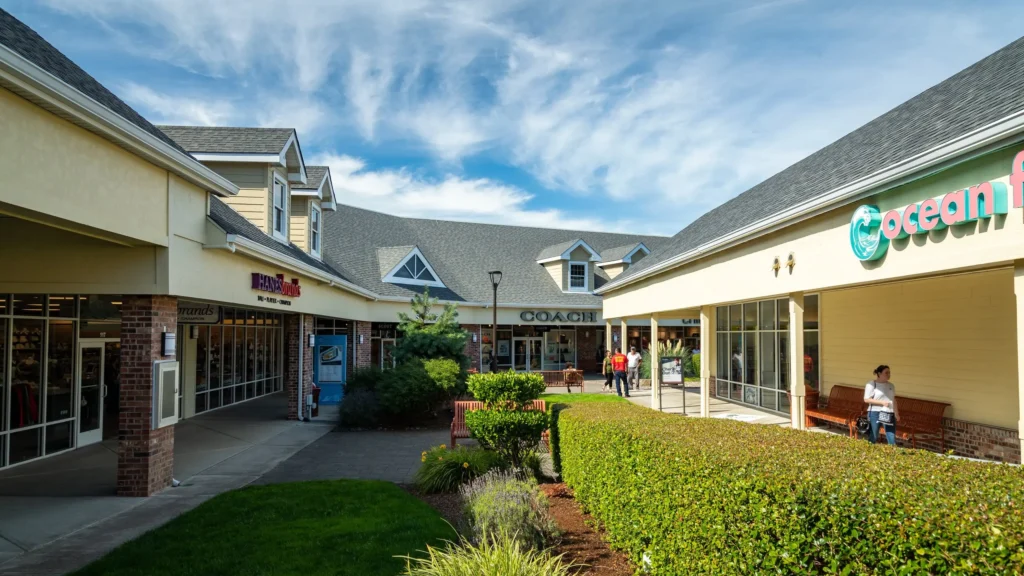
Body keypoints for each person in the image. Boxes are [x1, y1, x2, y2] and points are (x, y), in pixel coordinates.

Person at [864, 365, 899, 445]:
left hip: (889, 413)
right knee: (874, 434)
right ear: (879, 374)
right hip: (875, 412)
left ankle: (893, 451)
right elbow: (866, 399)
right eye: (886, 373)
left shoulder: (891, 385)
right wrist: (882, 403)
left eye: (889, 373)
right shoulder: (871, 384)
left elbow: (893, 400)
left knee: (891, 433)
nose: (888, 374)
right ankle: (869, 449)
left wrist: (896, 413)